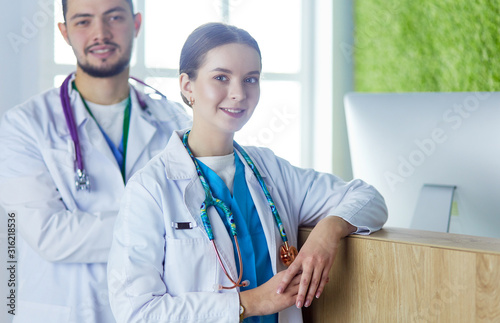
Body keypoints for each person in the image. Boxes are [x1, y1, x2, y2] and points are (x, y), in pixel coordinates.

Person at [107, 22, 387, 323]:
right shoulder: (150, 189)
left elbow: (369, 198)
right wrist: (248, 303)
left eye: (250, 79)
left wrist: (328, 231)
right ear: (187, 86)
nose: (239, 93)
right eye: (221, 77)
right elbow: (136, 312)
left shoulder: (270, 170)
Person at [0, 0, 191, 322]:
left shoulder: (175, 121)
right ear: (64, 32)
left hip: (151, 310)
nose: (100, 33)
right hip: (64, 312)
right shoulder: (24, 125)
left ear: (136, 24)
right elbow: (50, 237)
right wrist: (158, 224)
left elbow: (194, 220)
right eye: (83, 21)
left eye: (114, 17)